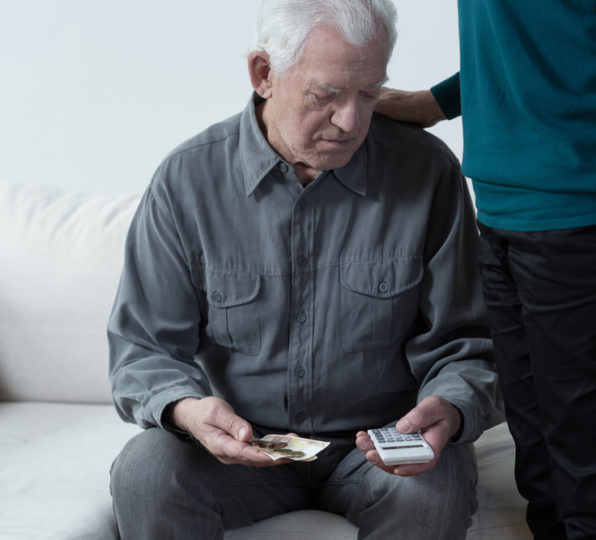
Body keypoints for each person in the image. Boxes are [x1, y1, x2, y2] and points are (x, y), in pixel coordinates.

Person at [107, 1, 502, 538]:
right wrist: (185, 409)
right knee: (146, 471)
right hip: (241, 450)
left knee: (434, 489)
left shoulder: (428, 173)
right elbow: (144, 349)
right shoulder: (186, 181)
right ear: (264, 74)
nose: (352, 121)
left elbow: (468, 342)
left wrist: (452, 408)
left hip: (379, 449)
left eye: (369, 93)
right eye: (327, 95)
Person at [375, 1, 596, 539]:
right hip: (502, 226)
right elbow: (543, 45)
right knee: (544, 483)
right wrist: (435, 102)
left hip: (588, 241)